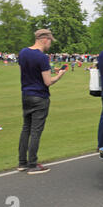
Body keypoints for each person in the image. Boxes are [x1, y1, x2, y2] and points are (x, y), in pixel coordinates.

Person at [17, 29, 66, 175]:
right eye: (50, 41)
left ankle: (22, 162)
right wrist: (59, 76)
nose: (50, 44)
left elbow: (27, 72)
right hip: (39, 96)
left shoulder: (23, 52)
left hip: (26, 94)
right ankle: (32, 164)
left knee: (26, 128)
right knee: (36, 131)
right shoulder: (42, 57)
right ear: (45, 39)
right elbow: (47, 82)